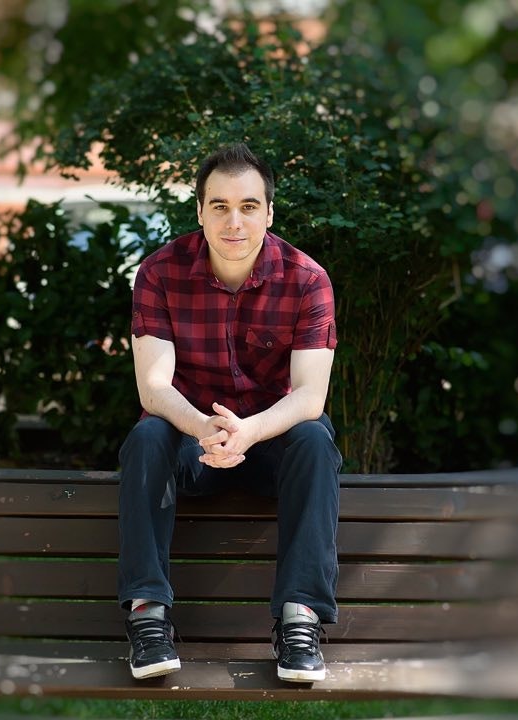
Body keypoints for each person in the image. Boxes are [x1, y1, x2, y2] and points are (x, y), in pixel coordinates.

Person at [117, 143, 341, 683]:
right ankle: (148, 619)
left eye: (247, 206)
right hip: (191, 439)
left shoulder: (308, 280)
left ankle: (300, 622)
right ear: (199, 211)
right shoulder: (159, 273)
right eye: (219, 206)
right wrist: (203, 427)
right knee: (146, 439)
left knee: (314, 438)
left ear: (269, 212)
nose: (233, 221)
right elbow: (153, 387)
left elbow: (309, 397)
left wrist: (249, 431)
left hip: (272, 441)